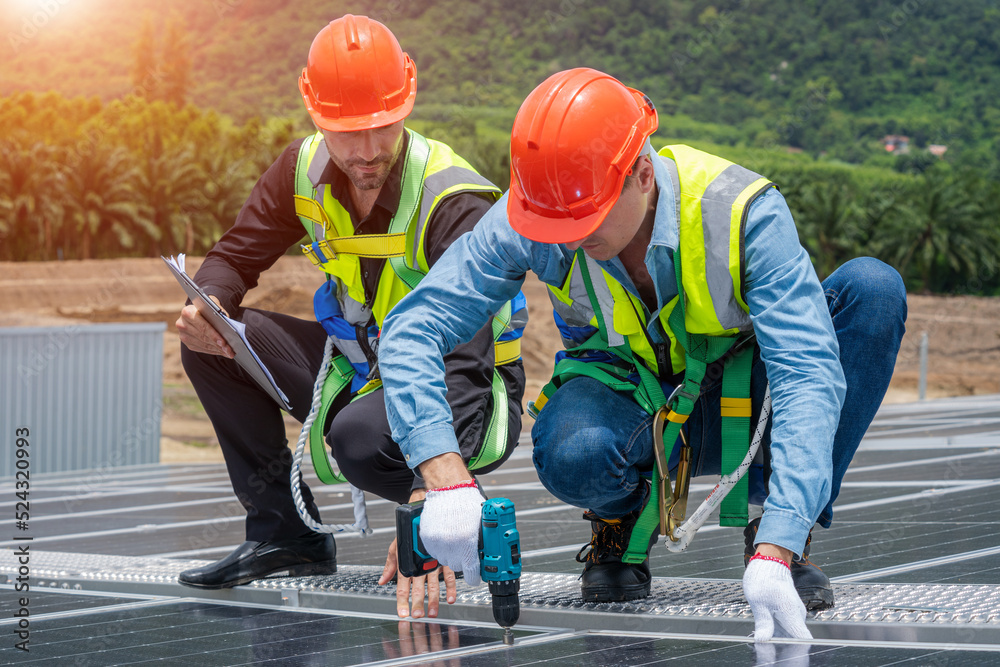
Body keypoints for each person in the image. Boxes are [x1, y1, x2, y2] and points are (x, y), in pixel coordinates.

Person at [377, 68, 906, 640]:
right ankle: (619, 519)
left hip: (747, 406)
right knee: (573, 450)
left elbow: (806, 372)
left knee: (872, 291)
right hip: (630, 404)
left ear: (644, 175)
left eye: (585, 220)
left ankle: (777, 531)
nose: (569, 239)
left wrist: (780, 538)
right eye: (554, 225)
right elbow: (413, 326)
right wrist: (444, 475)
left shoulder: (744, 213)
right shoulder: (537, 214)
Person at [174, 15, 526, 619]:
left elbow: (465, 366)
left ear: (407, 105)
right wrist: (205, 301)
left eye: (382, 127)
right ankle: (287, 534)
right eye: (346, 132)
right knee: (212, 342)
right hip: (363, 366)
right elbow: (235, 256)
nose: (366, 151)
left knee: (359, 439)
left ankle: (462, 504)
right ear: (315, 114)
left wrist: (433, 500)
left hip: (462, 386)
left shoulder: (452, 199)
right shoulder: (301, 170)